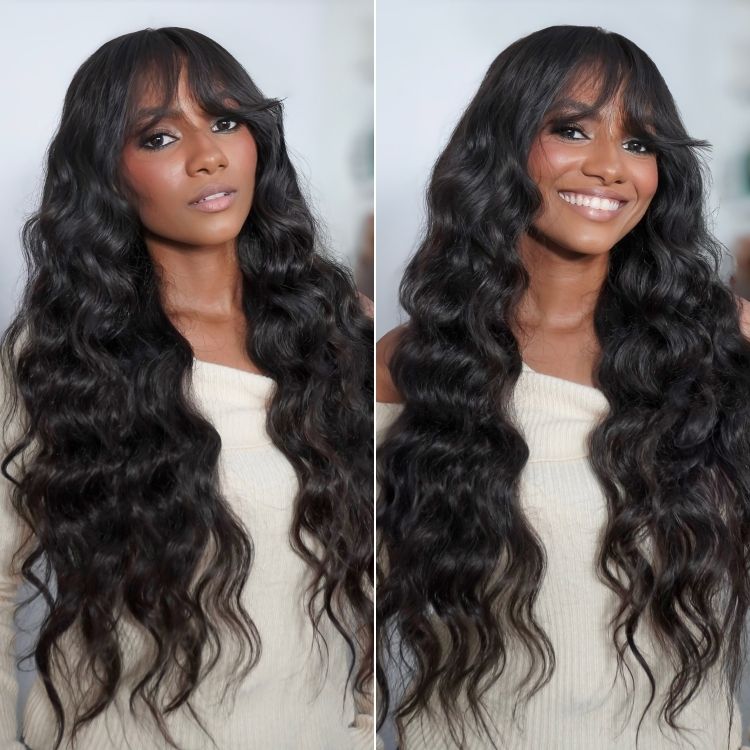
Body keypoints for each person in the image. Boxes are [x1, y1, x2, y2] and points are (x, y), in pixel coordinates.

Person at [376, 25, 750, 750]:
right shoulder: (410, 364)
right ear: (503, 145)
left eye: (638, 143)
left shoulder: (716, 347)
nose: (610, 166)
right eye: (572, 130)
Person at [0, 27, 374, 750]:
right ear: (106, 172)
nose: (209, 155)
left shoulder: (337, 336)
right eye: (160, 138)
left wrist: (361, 728)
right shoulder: (55, 358)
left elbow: (373, 583)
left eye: (227, 123)